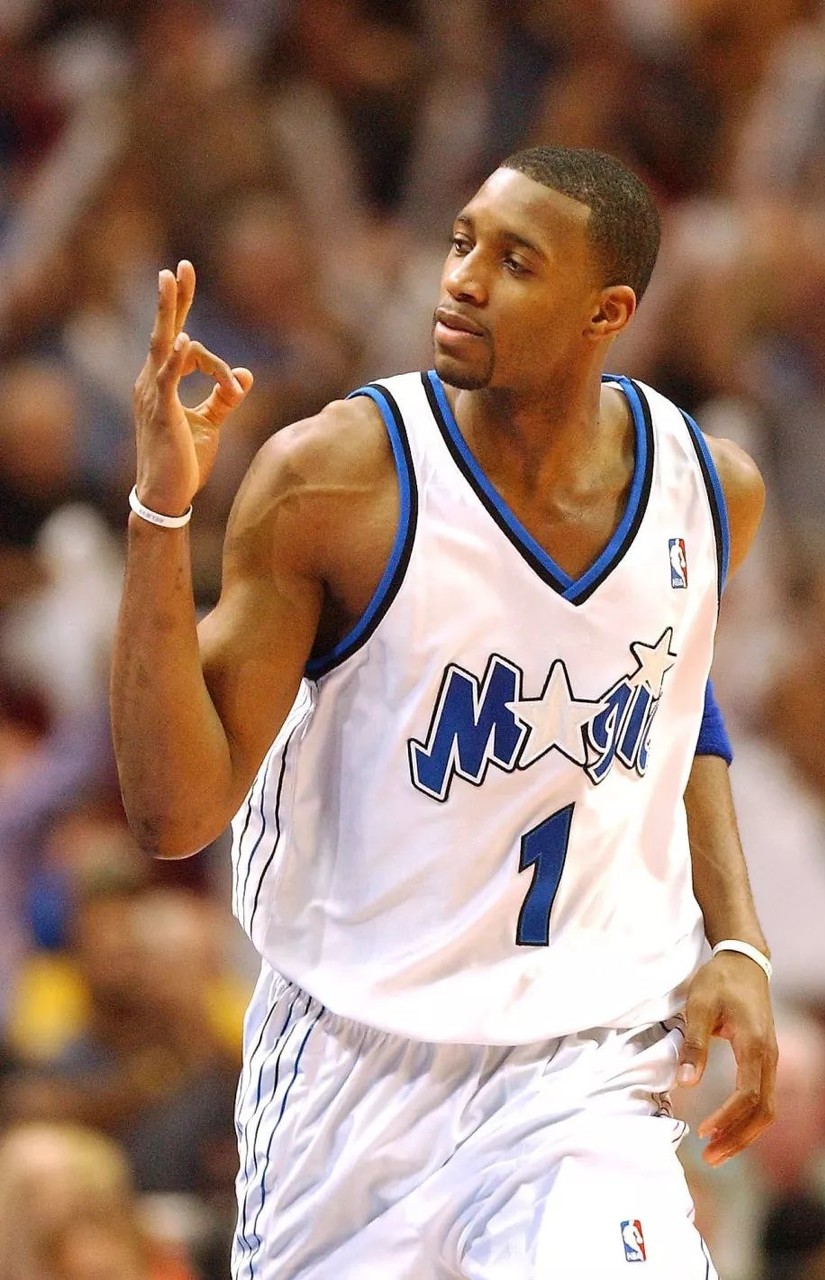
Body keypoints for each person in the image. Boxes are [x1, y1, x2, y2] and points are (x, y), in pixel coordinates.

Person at [111, 145, 776, 1278]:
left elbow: (675, 704)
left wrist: (737, 938)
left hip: (583, 1065)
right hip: (354, 1066)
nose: (462, 278)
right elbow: (172, 814)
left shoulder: (708, 491)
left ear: (606, 313)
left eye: (516, 261)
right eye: (463, 242)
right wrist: (162, 513)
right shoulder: (335, 482)